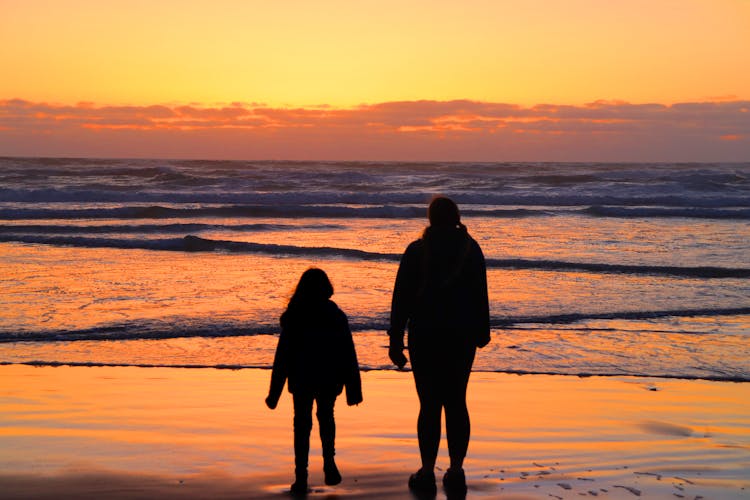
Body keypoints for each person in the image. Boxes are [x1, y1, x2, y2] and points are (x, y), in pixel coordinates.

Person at [388, 196, 490, 497]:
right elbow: (480, 294)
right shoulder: (471, 250)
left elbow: (401, 299)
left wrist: (395, 339)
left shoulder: (416, 250)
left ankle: (426, 470)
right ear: (456, 217)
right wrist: (482, 332)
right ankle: (456, 470)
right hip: (461, 335)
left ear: (430, 219)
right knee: (457, 401)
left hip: (425, 335)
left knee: (429, 404)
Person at [266, 268, 363, 496]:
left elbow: (282, 357)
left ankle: (301, 476)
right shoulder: (335, 315)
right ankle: (329, 462)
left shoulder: (295, 315)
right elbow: (348, 353)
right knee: (326, 417)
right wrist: (353, 389)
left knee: (301, 424)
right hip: (329, 376)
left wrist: (274, 393)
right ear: (326, 289)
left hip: (301, 377)